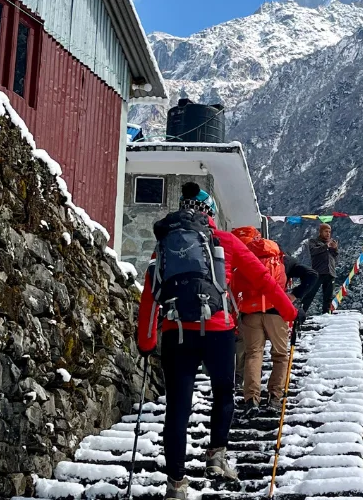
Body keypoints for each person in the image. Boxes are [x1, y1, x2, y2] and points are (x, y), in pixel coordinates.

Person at [137, 182, 296, 499]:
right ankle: (217, 457)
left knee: (177, 409)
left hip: (176, 331)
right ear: (209, 214)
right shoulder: (225, 242)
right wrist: (290, 312)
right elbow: (262, 279)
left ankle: (176, 484)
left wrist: (146, 340)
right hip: (218, 330)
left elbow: (149, 297)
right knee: (223, 392)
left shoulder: (164, 246)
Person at [231, 226, 314, 415]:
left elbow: (233, 288)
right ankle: (275, 397)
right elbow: (312, 275)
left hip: (250, 313)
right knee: (280, 355)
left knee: (253, 354)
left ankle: (251, 398)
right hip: (276, 311)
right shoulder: (281, 260)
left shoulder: (245, 259)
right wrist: (292, 297)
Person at [300, 223, 339, 315]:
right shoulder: (313, 242)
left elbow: (335, 258)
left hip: (330, 272)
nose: (328, 234)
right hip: (318, 272)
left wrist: (335, 249)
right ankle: (300, 314)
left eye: (329, 232)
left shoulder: (331, 242)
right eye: (326, 231)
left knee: (328, 297)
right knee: (310, 294)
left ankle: (327, 314)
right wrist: (326, 246)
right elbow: (313, 251)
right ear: (321, 232)